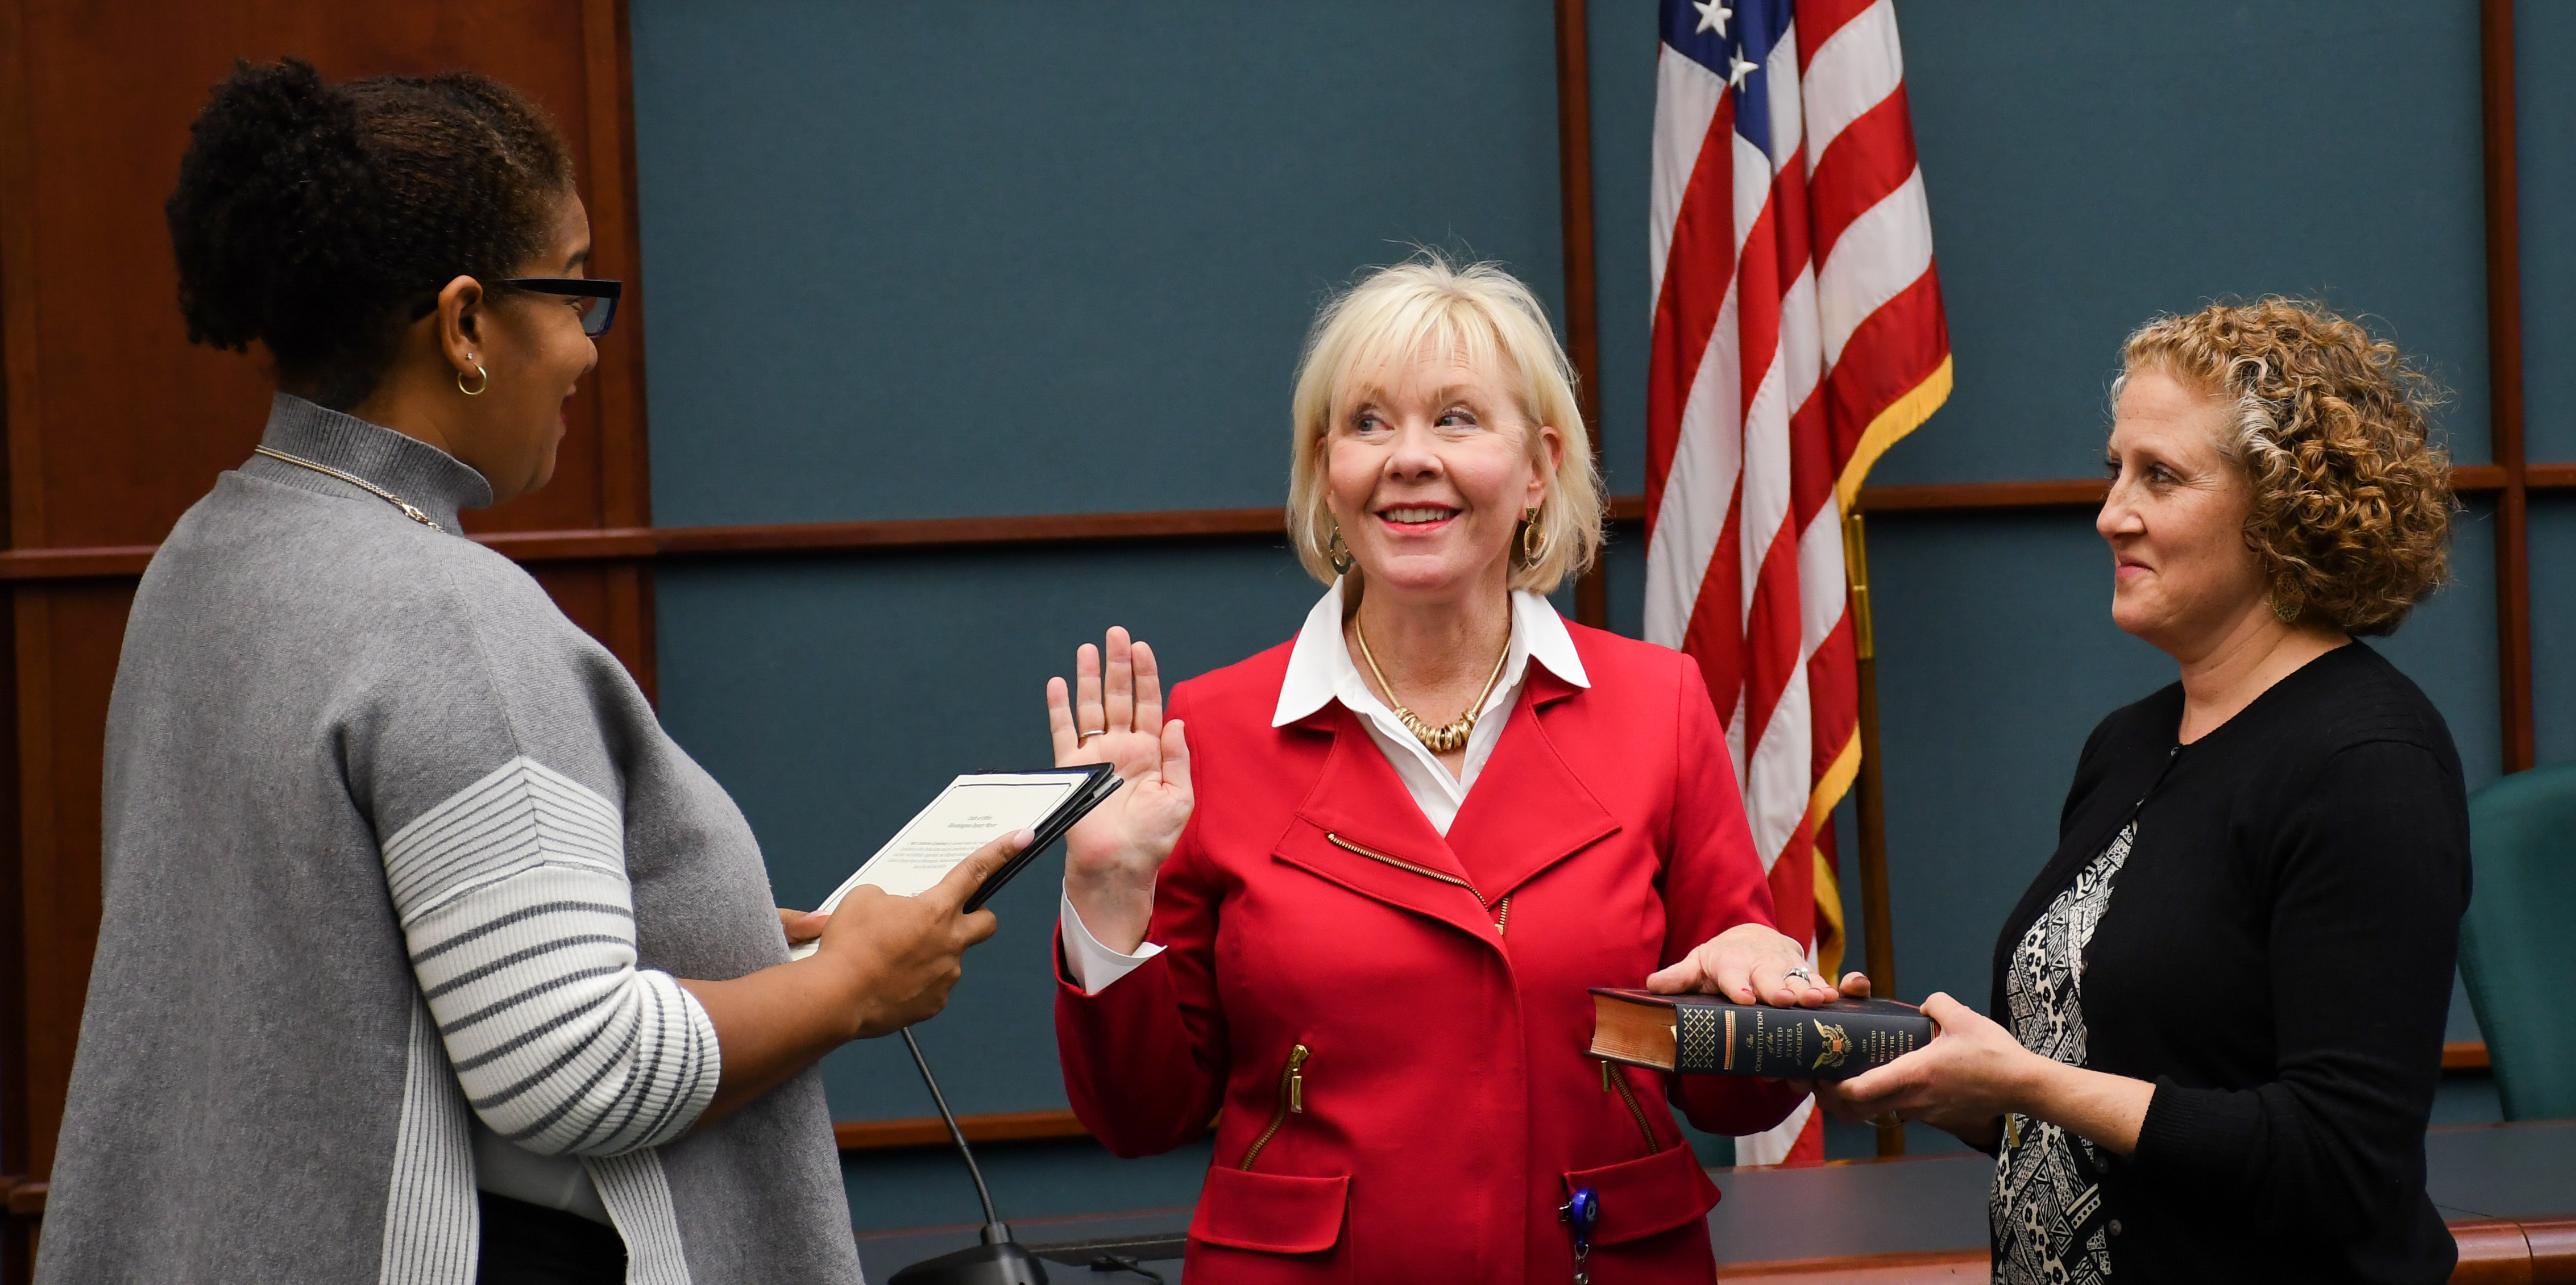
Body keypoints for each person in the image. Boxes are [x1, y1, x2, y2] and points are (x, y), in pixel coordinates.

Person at [37, 60, 1017, 1285]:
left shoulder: (206, 560)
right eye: (573, 292)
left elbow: (334, 953)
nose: (588, 352)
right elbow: (576, 1071)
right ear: (462, 325)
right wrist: (856, 988)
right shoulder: (448, 612)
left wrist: (654, 924)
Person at [1044, 257, 1855, 1283]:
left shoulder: (1661, 706)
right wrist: (1107, 903)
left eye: (1459, 419)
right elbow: (1140, 1114)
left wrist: (1762, 997)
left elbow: (1733, 1099)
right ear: (1324, 470)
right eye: (1369, 423)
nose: (1409, 459)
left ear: (1539, 468)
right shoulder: (1206, 731)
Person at [1819, 299, 2469, 1284]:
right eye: (2115, 468)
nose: (2111, 511)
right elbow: (2118, 1114)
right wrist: (1951, 1088)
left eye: (2159, 476)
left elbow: (2341, 1163)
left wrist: (2032, 1082)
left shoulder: (2369, 762)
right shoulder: (2125, 746)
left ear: (2282, 511)